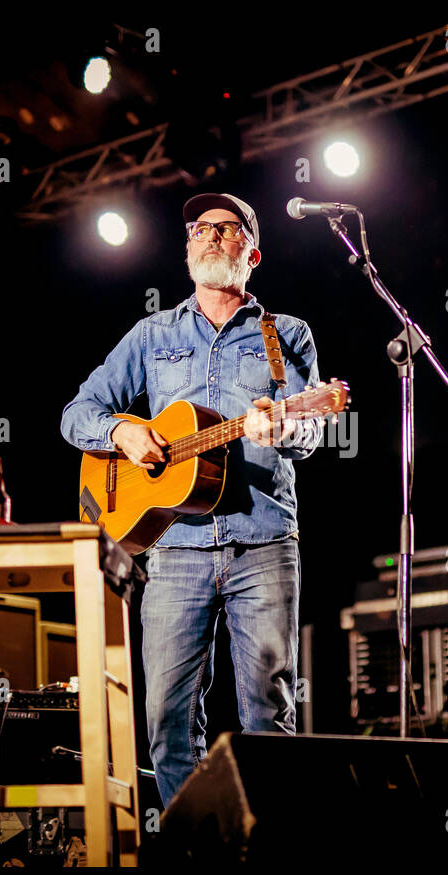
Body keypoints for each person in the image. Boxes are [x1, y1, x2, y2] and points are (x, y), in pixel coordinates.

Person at [59, 193, 325, 806]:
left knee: (269, 715)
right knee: (167, 723)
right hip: (174, 548)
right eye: (200, 229)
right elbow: (78, 414)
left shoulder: (286, 334)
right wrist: (123, 432)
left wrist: (286, 426)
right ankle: (194, 851)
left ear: (251, 253)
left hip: (263, 541)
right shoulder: (150, 335)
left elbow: (311, 432)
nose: (210, 236)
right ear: (186, 251)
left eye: (228, 230)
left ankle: (265, 846)